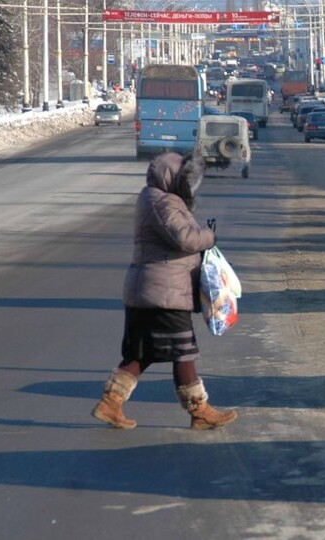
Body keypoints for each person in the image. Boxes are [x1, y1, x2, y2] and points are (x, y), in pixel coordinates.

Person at [92, 151, 238, 430]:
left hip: (150, 292)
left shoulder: (155, 199)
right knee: (183, 352)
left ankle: (111, 403)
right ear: (173, 178)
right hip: (164, 294)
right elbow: (186, 238)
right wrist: (210, 236)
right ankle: (200, 411)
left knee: (142, 352)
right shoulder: (162, 201)